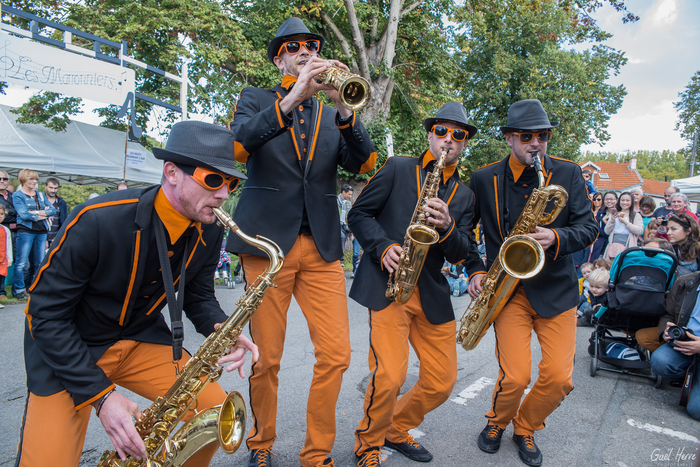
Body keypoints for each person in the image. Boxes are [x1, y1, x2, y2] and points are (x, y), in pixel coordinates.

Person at [14, 121, 259, 467]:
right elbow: (45, 315)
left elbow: (199, 295)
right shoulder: (97, 219)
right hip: (71, 350)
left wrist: (223, 329)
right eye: (213, 180)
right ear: (172, 172)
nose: (224, 194)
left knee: (216, 412)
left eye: (231, 184)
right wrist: (102, 398)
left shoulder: (209, 228)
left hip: (139, 340)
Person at [226, 16, 377, 467]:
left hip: (322, 246)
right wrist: (294, 97)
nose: (306, 51)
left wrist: (345, 110)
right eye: (294, 47)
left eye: (311, 45)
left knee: (336, 356)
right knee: (266, 358)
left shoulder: (334, 112)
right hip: (266, 248)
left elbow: (365, 163)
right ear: (280, 59)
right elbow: (236, 148)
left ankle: (316, 454)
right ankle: (261, 445)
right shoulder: (255, 99)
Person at [466, 99, 598, 467]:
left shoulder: (569, 173)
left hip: (556, 290)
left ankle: (525, 427)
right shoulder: (484, 176)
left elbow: (589, 228)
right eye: (527, 136)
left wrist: (556, 238)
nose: (536, 143)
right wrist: (475, 269)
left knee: (559, 379)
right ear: (509, 138)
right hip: (508, 292)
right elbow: (464, 229)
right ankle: (497, 423)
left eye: (543, 136)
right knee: (515, 377)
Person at [349, 101, 480, 467]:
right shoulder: (399, 167)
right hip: (390, 286)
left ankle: (395, 426)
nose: (448, 139)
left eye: (458, 134)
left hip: (431, 293)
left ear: (464, 143)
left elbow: (461, 252)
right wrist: (383, 246)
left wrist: (448, 225)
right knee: (390, 375)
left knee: (442, 381)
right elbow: (359, 214)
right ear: (430, 135)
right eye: (441, 131)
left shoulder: (466, 196)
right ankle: (369, 443)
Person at [649, 270, 700, 420]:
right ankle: (691, 375)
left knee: (696, 410)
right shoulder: (685, 281)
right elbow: (668, 314)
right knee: (660, 361)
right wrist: (666, 329)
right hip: (684, 341)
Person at [12, 169, 56, 300]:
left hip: (41, 231)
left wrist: (35, 213)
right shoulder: (18, 195)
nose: (34, 181)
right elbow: (23, 214)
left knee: (38, 263)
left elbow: (53, 210)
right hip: (26, 231)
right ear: (23, 179)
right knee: (22, 263)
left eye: (36, 179)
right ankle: (19, 290)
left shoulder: (41, 195)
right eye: (31, 179)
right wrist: (41, 213)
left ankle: (33, 288)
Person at [603, 192, 643, 260]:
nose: (625, 202)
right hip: (614, 245)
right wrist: (612, 220)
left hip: (628, 244)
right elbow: (607, 231)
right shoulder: (614, 214)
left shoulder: (636, 216)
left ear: (631, 202)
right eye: (622, 200)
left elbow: (639, 231)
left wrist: (626, 223)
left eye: (627, 200)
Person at [0, 170, 16, 300]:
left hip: (12, 232)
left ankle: (2, 292)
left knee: (4, 270)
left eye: (4, 179)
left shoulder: (13, 196)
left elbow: (19, 213)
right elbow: (14, 213)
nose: (2, 181)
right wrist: (12, 213)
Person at [43, 177, 68, 248]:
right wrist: (45, 239)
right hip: (41, 236)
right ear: (45, 186)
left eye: (55, 188)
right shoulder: (40, 201)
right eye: (51, 188)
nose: (53, 190)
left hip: (56, 238)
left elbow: (64, 222)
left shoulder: (61, 203)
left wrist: (57, 238)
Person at [0, 205, 12, 308]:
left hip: (2, 260)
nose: (0, 216)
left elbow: (9, 245)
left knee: (1, 280)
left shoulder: (5, 229)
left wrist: (9, 259)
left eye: (2, 214)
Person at [338, 184, 353, 251]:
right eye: (349, 194)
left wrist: (352, 232)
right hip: (337, 225)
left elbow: (351, 217)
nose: (350, 196)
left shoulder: (349, 203)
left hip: (346, 227)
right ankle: (340, 258)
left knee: (342, 243)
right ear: (343, 192)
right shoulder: (335, 201)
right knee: (342, 238)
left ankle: (339, 258)